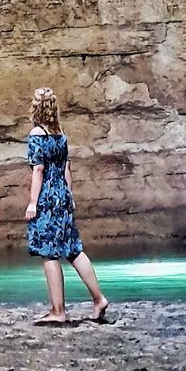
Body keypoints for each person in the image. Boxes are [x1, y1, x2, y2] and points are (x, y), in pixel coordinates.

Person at [23, 86, 109, 325]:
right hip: (63, 195)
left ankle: (58, 311)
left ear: (36, 108)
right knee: (73, 249)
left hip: (47, 197)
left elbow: (38, 170)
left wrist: (33, 203)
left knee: (48, 252)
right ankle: (98, 299)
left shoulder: (36, 135)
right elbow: (66, 168)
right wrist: (69, 196)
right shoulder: (60, 134)